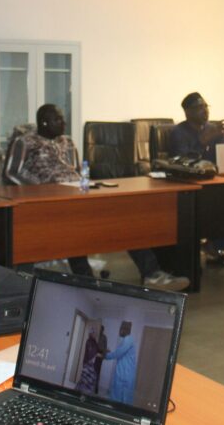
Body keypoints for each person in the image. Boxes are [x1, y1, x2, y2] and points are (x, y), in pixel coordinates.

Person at [11, 104, 189, 292]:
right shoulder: (25, 142)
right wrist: (38, 191)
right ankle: (84, 278)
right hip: (45, 201)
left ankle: (152, 274)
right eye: (58, 119)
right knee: (73, 229)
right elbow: (10, 172)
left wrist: (86, 186)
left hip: (76, 194)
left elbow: (76, 171)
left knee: (125, 219)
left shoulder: (67, 142)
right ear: (44, 122)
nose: (64, 122)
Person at [169, 92, 224, 266]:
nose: (205, 110)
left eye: (206, 106)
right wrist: (202, 142)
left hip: (215, 183)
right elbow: (181, 164)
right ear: (187, 112)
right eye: (199, 107)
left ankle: (214, 246)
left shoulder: (214, 130)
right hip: (189, 187)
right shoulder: (178, 133)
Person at [103, 321, 137, 405]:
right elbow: (120, 353)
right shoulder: (126, 340)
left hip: (124, 376)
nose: (119, 331)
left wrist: (106, 355)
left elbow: (118, 353)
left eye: (121, 329)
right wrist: (109, 353)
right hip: (123, 374)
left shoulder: (128, 339)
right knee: (119, 398)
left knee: (121, 401)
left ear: (124, 329)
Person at [75, 326, 101, 394]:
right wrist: (97, 354)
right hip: (88, 364)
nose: (96, 334)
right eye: (94, 333)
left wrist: (102, 352)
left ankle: (81, 393)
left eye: (96, 333)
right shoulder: (89, 341)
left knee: (87, 381)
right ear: (91, 333)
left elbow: (97, 350)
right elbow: (91, 353)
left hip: (92, 364)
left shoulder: (94, 341)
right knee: (85, 380)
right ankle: (81, 393)